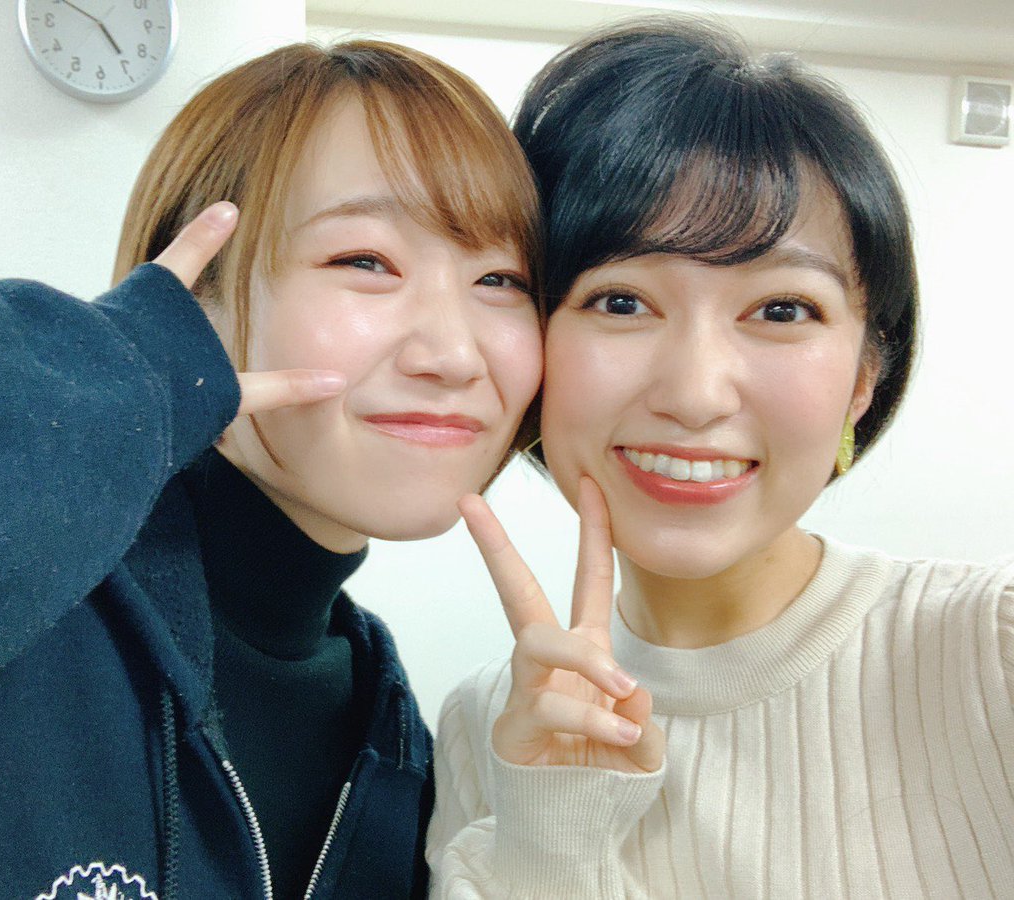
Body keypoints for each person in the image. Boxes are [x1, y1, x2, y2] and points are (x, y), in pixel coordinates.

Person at [0, 40, 544, 899]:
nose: (454, 354)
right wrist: (116, 372)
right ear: (195, 298)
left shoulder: (397, 738)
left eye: (502, 279)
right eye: (365, 261)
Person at [428, 17, 1014, 898]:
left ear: (865, 377)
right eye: (621, 301)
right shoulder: (486, 733)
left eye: (781, 310)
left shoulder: (991, 651)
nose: (696, 394)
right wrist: (553, 838)